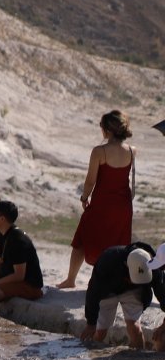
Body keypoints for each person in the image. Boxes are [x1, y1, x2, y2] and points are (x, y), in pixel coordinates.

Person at [58, 110, 137, 288]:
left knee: (82, 237)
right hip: (123, 205)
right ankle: (115, 283)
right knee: (118, 243)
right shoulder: (132, 151)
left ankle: (70, 279)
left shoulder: (99, 151)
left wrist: (84, 197)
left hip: (102, 204)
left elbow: (90, 180)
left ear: (107, 130)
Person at [79, 243, 165, 350]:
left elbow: (163, 294)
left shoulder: (152, 265)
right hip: (108, 291)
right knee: (101, 332)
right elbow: (93, 291)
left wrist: (164, 324)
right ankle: (92, 358)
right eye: (133, 280)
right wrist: (91, 323)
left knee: (135, 328)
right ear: (126, 265)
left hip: (134, 292)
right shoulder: (108, 260)